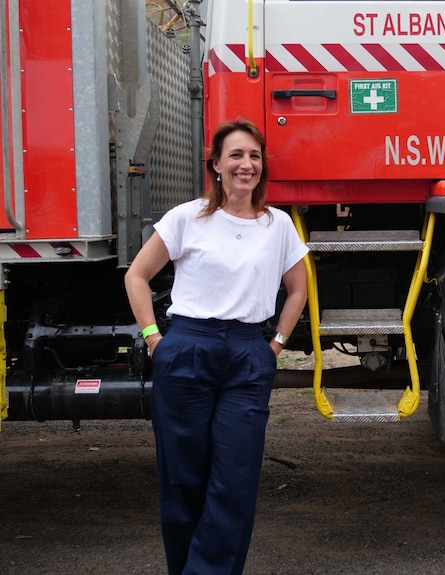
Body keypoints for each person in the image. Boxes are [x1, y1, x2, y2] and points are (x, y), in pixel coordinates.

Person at [124, 118, 308, 575]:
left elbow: (298, 289)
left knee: (235, 481)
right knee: (183, 480)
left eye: (254, 156)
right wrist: (154, 339)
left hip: (248, 356)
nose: (247, 165)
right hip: (187, 347)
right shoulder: (187, 218)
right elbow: (137, 275)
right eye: (236, 156)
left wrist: (277, 344)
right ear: (217, 165)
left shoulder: (278, 225)